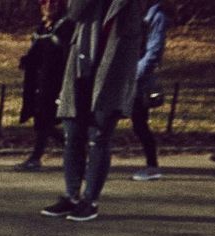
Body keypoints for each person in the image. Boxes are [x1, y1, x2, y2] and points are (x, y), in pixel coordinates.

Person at [40, 0, 143, 222]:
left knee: (99, 136)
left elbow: (134, 37)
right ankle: (71, 196)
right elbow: (74, 13)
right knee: (73, 134)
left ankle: (90, 200)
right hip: (81, 65)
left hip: (113, 71)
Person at [15, 0, 73, 171]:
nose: (48, 6)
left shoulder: (65, 26)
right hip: (39, 81)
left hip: (56, 80)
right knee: (42, 119)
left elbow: (65, 55)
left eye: (53, 2)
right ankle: (75, 148)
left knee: (45, 118)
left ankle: (35, 157)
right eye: (44, 2)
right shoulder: (42, 27)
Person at [129, 0, 166, 181]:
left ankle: (152, 166)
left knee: (140, 123)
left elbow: (154, 52)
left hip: (138, 81)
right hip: (128, 75)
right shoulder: (136, 12)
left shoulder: (156, 16)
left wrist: (134, 73)